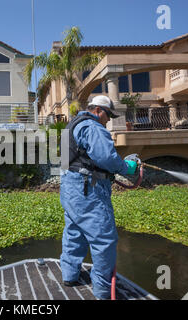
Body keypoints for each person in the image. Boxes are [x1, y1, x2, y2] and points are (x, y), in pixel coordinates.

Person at [59, 95, 139, 300]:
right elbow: (106, 158)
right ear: (98, 111)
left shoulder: (71, 125)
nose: (109, 120)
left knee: (74, 230)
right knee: (103, 238)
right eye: (108, 115)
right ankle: (103, 291)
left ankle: (69, 275)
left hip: (70, 188)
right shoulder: (93, 127)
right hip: (88, 190)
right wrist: (127, 168)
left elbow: (81, 158)